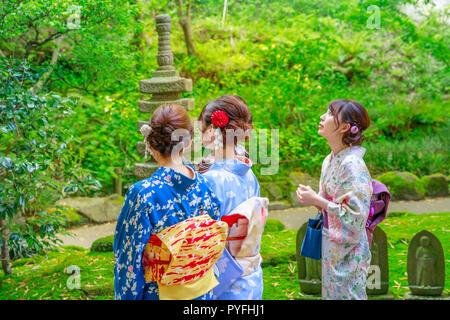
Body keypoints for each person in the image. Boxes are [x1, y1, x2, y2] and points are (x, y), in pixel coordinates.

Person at [113, 103, 227, 300]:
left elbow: (127, 263)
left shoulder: (143, 194)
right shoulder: (205, 186)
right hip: (202, 294)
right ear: (189, 142)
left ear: (149, 143)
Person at [296, 99, 373, 300]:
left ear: (345, 127)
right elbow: (331, 201)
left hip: (350, 248)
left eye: (329, 114)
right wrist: (314, 198)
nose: (322, 117)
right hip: (332, 242)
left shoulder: (352, 164)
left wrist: (318, 200)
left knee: (348, 294)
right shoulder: (330, 159)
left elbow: (356, 216)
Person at [196, 94, 267, 300]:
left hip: (223, 283)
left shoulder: (210, 180)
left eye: (202, 129)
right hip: (252, 277)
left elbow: (201, 241)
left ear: (211, 131)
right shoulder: (248, 173)